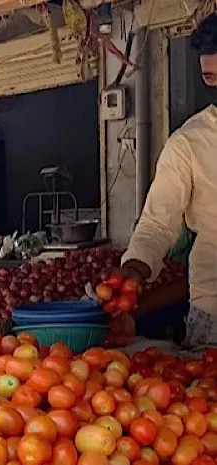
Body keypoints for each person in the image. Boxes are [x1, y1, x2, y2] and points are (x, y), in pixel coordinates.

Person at [113, 14, 217, 347]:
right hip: (213, 308)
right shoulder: (187, 144)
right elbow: (158, 224)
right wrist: (135, 268)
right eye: (210, 78)